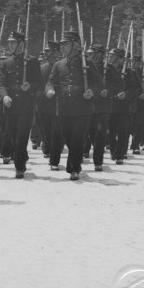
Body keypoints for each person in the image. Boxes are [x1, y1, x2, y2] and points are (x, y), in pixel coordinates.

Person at [45, 31, 101, 180]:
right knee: (68, 137)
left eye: (65, 44)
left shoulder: (87, 64)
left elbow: (98, 84)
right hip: (63, 107)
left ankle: (74, 168)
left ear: (75, 45)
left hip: (83, 107)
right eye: (61, 44)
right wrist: (50, 89)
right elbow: (51, 81)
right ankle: (76, 159)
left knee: (77, 138)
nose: (62, 47)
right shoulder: (58, 65)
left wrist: (92, 92)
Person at [0, 31, 42, 179]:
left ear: (21, 44)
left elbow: (39, 83)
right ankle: (19, 160)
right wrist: (4, 96)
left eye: (13, 42)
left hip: (26, 105)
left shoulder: (32, 61)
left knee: (22, 137)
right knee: (12, 136)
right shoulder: (5, 63)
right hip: (11, 105)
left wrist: (30, 85)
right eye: (9, 42)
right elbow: (0, 83)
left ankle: (19, 166)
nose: (10, 45)